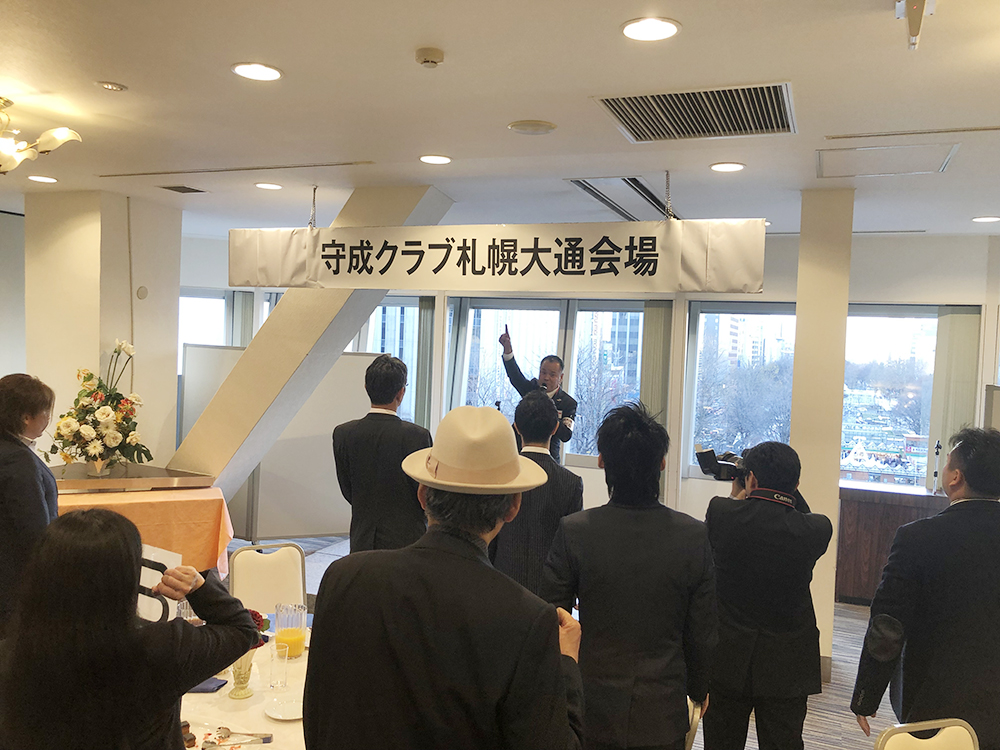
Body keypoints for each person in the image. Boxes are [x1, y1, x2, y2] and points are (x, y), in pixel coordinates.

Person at [305, 405, 585, 750]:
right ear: (514, 505)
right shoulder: (527, 619)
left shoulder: (343, 578)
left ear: (423, 495)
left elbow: (318, 716)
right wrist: (566, 663)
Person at [0, 508, 258, 750]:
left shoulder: (11, 657)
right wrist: (199, 587)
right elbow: (242, 629)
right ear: (129, 577)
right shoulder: (162, 648)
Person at [541, 402, 717, 750]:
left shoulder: (575, 531)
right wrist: (699, 690)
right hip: (663, 710)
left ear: (602, 461)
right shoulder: (693, 535)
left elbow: (553, 619)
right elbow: (702, 632)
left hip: (591, 706)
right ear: (662, 464)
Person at [851, 427, 1000, 748]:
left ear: (955, 477)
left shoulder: (917, 538)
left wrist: (866, 694)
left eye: (946, 464)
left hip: (936, 704)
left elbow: (888, 625)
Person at [703, 441, 832, 750]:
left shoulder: (721, 513)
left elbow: (730, 513)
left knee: (721, 743)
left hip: (728, 658)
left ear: (751, 479)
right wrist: (784, 489)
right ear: (797, 484)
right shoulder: (816, 528)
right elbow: (799, 510)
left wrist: (744, 490)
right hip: (788, 664)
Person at [333, 354, 432, 551]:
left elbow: (347, 489)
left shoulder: (343, 433)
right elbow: (424, 494)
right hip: (408, 541)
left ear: (366, 388)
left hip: (362, 538)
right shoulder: (418, 436)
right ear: (401, 393)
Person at [490, 391, 584, 595]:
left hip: (501, 587)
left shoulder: (499, 476)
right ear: (555, 428)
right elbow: (573, 547)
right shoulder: (571, 483)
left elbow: (489, 540)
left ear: (516, 427)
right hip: (552, 595)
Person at [0, 373, 57, 632]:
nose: (47, 419)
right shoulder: (18, 459)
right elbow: (34, 528)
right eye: (46, 412)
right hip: (15, 579)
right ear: (26, 417)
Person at [498, 325, 577, 462]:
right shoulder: (531, 389)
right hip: (521, 454)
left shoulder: (568, 403)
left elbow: (566, 435)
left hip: (549, 458)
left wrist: (550, 414)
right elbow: (515, 376)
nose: (546, 378)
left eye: (552, 375)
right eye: (543, 372)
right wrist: (508, 350)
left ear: (561, 378)